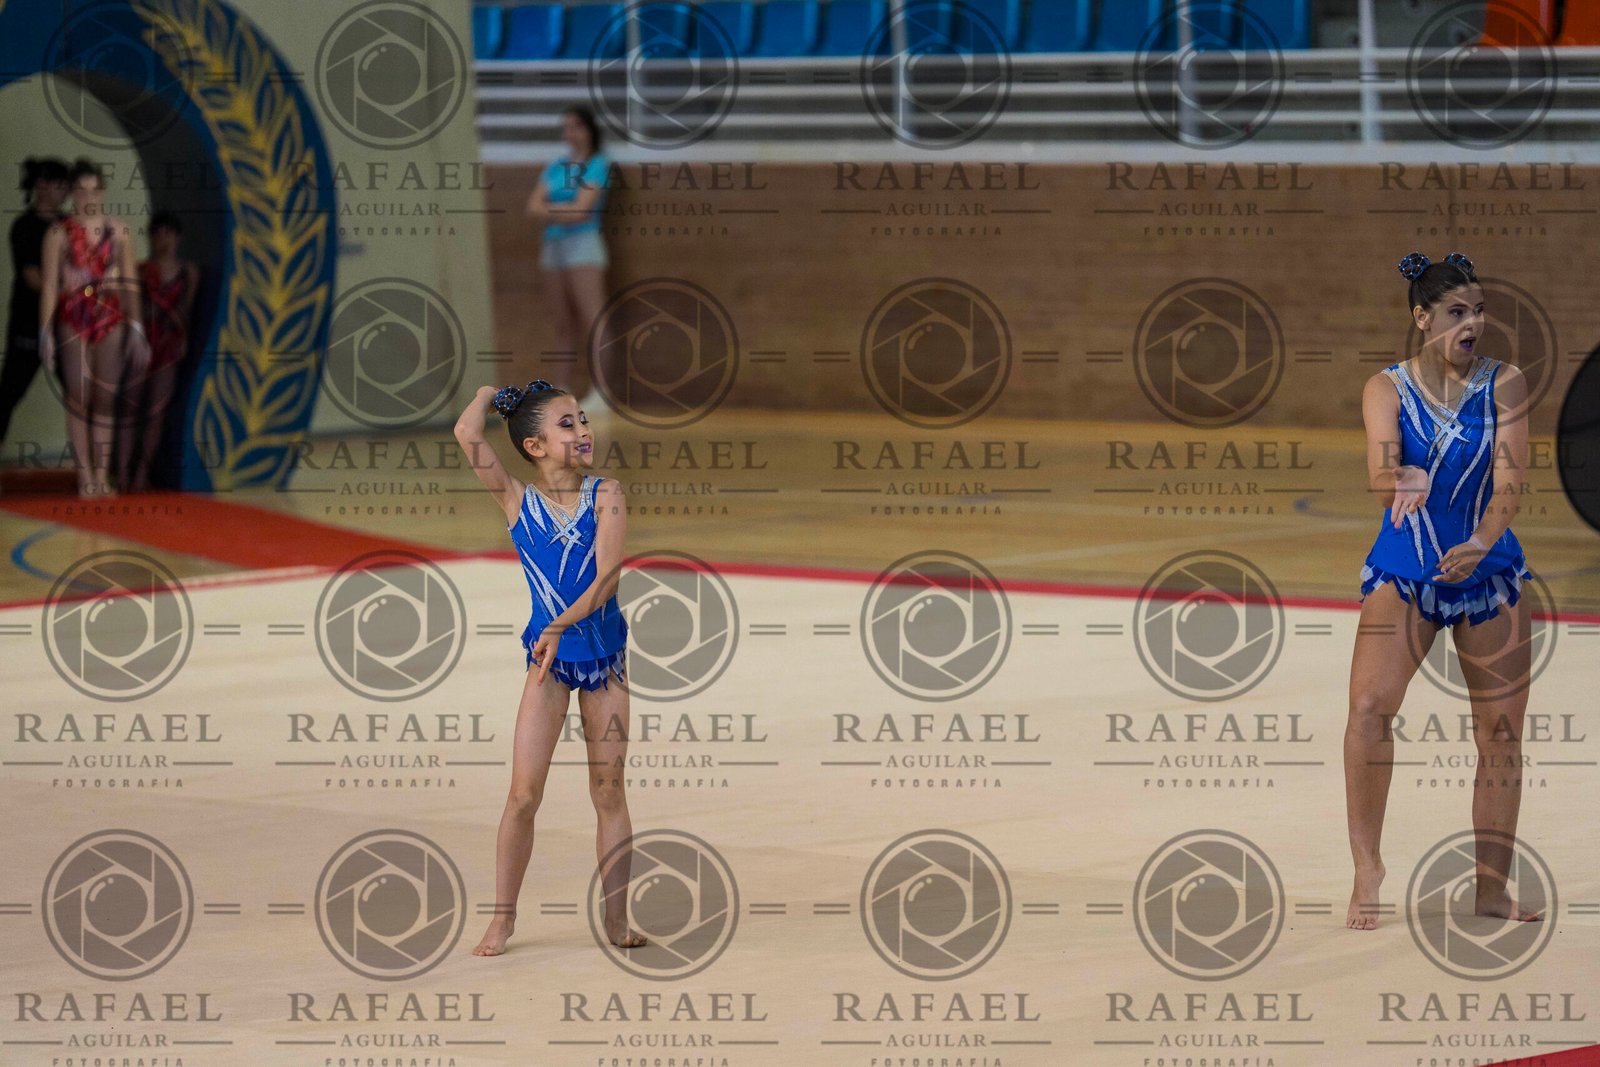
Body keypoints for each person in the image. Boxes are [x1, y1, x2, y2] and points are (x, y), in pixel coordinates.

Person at [1344, 251, 1540, 931]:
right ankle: (1367, 866)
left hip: (1486, 567)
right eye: (1457, 311)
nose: (1473, 323)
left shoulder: (1504, 383)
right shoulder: (1385, 388)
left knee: (1501, 731)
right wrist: (1400, 478)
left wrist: (1481, 542)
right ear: (1422, 317)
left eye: (1479, 310)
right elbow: (1382, 474)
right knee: (1369, 707)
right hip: (1407, 567)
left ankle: (1490, 887)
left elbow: (1510, 484)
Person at [453, 378, 645, 957]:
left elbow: (607, 576)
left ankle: (617, 919)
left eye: (583, 420)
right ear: (534, 446)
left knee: (608, 791)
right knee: (522, 795)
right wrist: (488, 393)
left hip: (602, 660)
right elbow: (466, 431)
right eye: (567, 424)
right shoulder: (517, 501)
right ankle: (502, 919)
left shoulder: (606, 493)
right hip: (549, 668)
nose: (584, 431)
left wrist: (558, 626)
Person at [39, 159, 146, 497]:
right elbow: (49, 286)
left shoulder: (119, 231)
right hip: (72, 316)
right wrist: (45, 331)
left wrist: (137, 327)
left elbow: (130, 281)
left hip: (110, 316)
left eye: (94, 190)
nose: (88, 197)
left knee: (105, 398)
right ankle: (84, 475)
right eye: (81, 191)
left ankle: (102, 475)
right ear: (72, 193)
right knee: (78, 396)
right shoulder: (58, 233)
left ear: (103, 191)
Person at [525, 108, 611, 407]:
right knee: (563, 321)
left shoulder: (598, 164)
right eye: (566, 128)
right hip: (553, 246)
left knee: (593, 317)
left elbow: (582, 210)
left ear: (589, 130)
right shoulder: (556, 166)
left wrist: (552, 211)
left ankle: (602, 391)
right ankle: (561, 389)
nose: (570, 133)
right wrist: (566, 210)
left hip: (583, 245)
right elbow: (532, 207)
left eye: (576, 127)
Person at [0, 157, 70, 454]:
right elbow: (34, 278)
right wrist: (72, 291)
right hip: (28, 324)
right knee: (9, 392)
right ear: (42, 186)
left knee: (80, 394)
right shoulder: (25, 226)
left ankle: (97, 466)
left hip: (66, 325)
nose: (65, 192)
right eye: (60, 185)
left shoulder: (69, 226)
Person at [126, 211, 197, 491]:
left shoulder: (188, 272)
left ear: (178, 238)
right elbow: (131, 309)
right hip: (142, 342)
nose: (164, 240)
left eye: (170, 234)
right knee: (131, 410)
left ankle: (142, 475)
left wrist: (183, 339)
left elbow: (186, 311)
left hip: (168, 345)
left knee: (156, 413)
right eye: (159, 234)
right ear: (151, 237)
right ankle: (123, 473)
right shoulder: (140, 270)